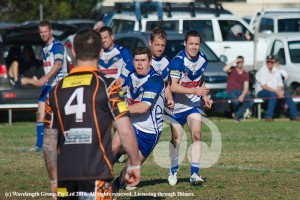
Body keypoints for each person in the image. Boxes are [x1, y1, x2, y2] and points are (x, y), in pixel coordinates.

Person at [43, 29, 141, 199]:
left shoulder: (55, 91)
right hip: (97, 174)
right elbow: (125, 130)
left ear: (73, 52)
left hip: (64, 175)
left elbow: (48, 142)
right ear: (101, 52)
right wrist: (134, 164)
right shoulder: (109, 86)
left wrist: (53, 179)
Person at [112, 47, 165, 191]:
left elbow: (143, 107)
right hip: (132, 124)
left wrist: (119, 110)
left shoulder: (155, 79)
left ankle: (115, 186)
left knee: (127, 173)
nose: (139, 64)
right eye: (137, 60)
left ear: (150, 61)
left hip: (149, 133)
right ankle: (97, 178)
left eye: (143, 60)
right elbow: (116, 92)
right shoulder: (130, 77)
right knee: (114, 146)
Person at [166, 30, 212, 186]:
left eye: (197, 44)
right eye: (191, 43)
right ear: (185, 43)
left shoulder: (203, 59)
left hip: (192, 105)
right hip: (176, 107)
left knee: (197, 135)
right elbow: (173, 86)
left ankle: (194, 173)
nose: (194, 47)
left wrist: (204, 96)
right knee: (176, 140)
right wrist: (195, 91)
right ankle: (173, 169)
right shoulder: (178, 62)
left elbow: (200, 78)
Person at [32, 20, 68, 152]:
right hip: (47, 85)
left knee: (59, 116)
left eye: (45, 31)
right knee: (40, 113)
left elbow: (58, 64)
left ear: (50, 31)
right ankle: (39, 145)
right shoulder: (44, 48)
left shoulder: (57, 46)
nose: (43, 34)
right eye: (41, 32)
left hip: (57, 84)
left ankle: (64, 143)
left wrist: (45, 78)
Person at [255, 55, 300, 122]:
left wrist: (280, 91)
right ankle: (268, 116)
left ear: (273, 62)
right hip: (262, 91)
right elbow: (264, 86)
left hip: (275, 91)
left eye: (271, 62)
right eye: (268, 62)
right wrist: (277, 92)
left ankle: (295, 115)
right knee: (273, 95)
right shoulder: (261, 71)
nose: (269, 63)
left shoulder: (277, 71)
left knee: (287, 94)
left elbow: (280, 84)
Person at [148, 27, 174, 110]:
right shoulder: (141, 59)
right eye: (157, 45)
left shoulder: (167, 62)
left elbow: (166, 84)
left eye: (162, 45)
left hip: (157, 107)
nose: (160, 49)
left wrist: (169, 99)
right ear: (150, 42)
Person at [223, 56, 254, 122]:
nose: (239, 63)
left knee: (250, 101)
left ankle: (237, 114)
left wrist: (242, 96)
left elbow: (246, 87)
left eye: (241, 62)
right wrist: (234, 61)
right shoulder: (232, 70)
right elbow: (224, 69)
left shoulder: (245, 74)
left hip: (240, 91)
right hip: (230, 90)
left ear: (243, 62)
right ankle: (240, 116)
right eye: (238, 62)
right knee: (235, 102)